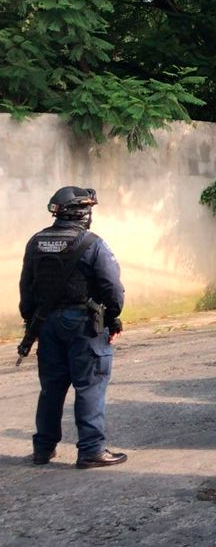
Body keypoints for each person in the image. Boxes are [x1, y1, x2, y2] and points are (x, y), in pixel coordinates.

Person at [19, 187, 126, 468]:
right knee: (89, 386)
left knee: (51, 389)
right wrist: (113, 318)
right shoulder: (93, 243)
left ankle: (43, 449)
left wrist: (32, 324)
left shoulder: (36, 242)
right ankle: (91, 450)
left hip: (47, 325)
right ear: (82, 213)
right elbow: (111, 287)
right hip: (84, 325)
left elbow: (26, 289)